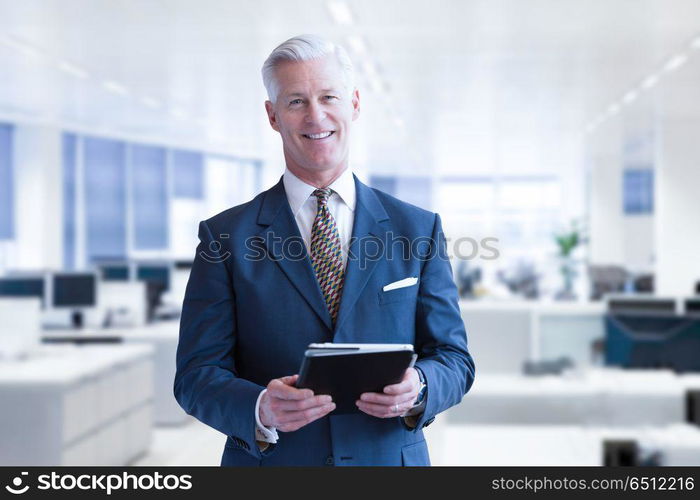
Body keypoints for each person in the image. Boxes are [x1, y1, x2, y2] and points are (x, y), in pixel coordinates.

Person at [174, 34, 475, 466]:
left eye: (328, 96)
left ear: (353, 104)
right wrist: (260, 407)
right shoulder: (224, 236)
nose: (316, 115)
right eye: (295, 101)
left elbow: (454, 359)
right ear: (273, 115)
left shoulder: (418, 229)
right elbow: (195, 376)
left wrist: (421, 387)